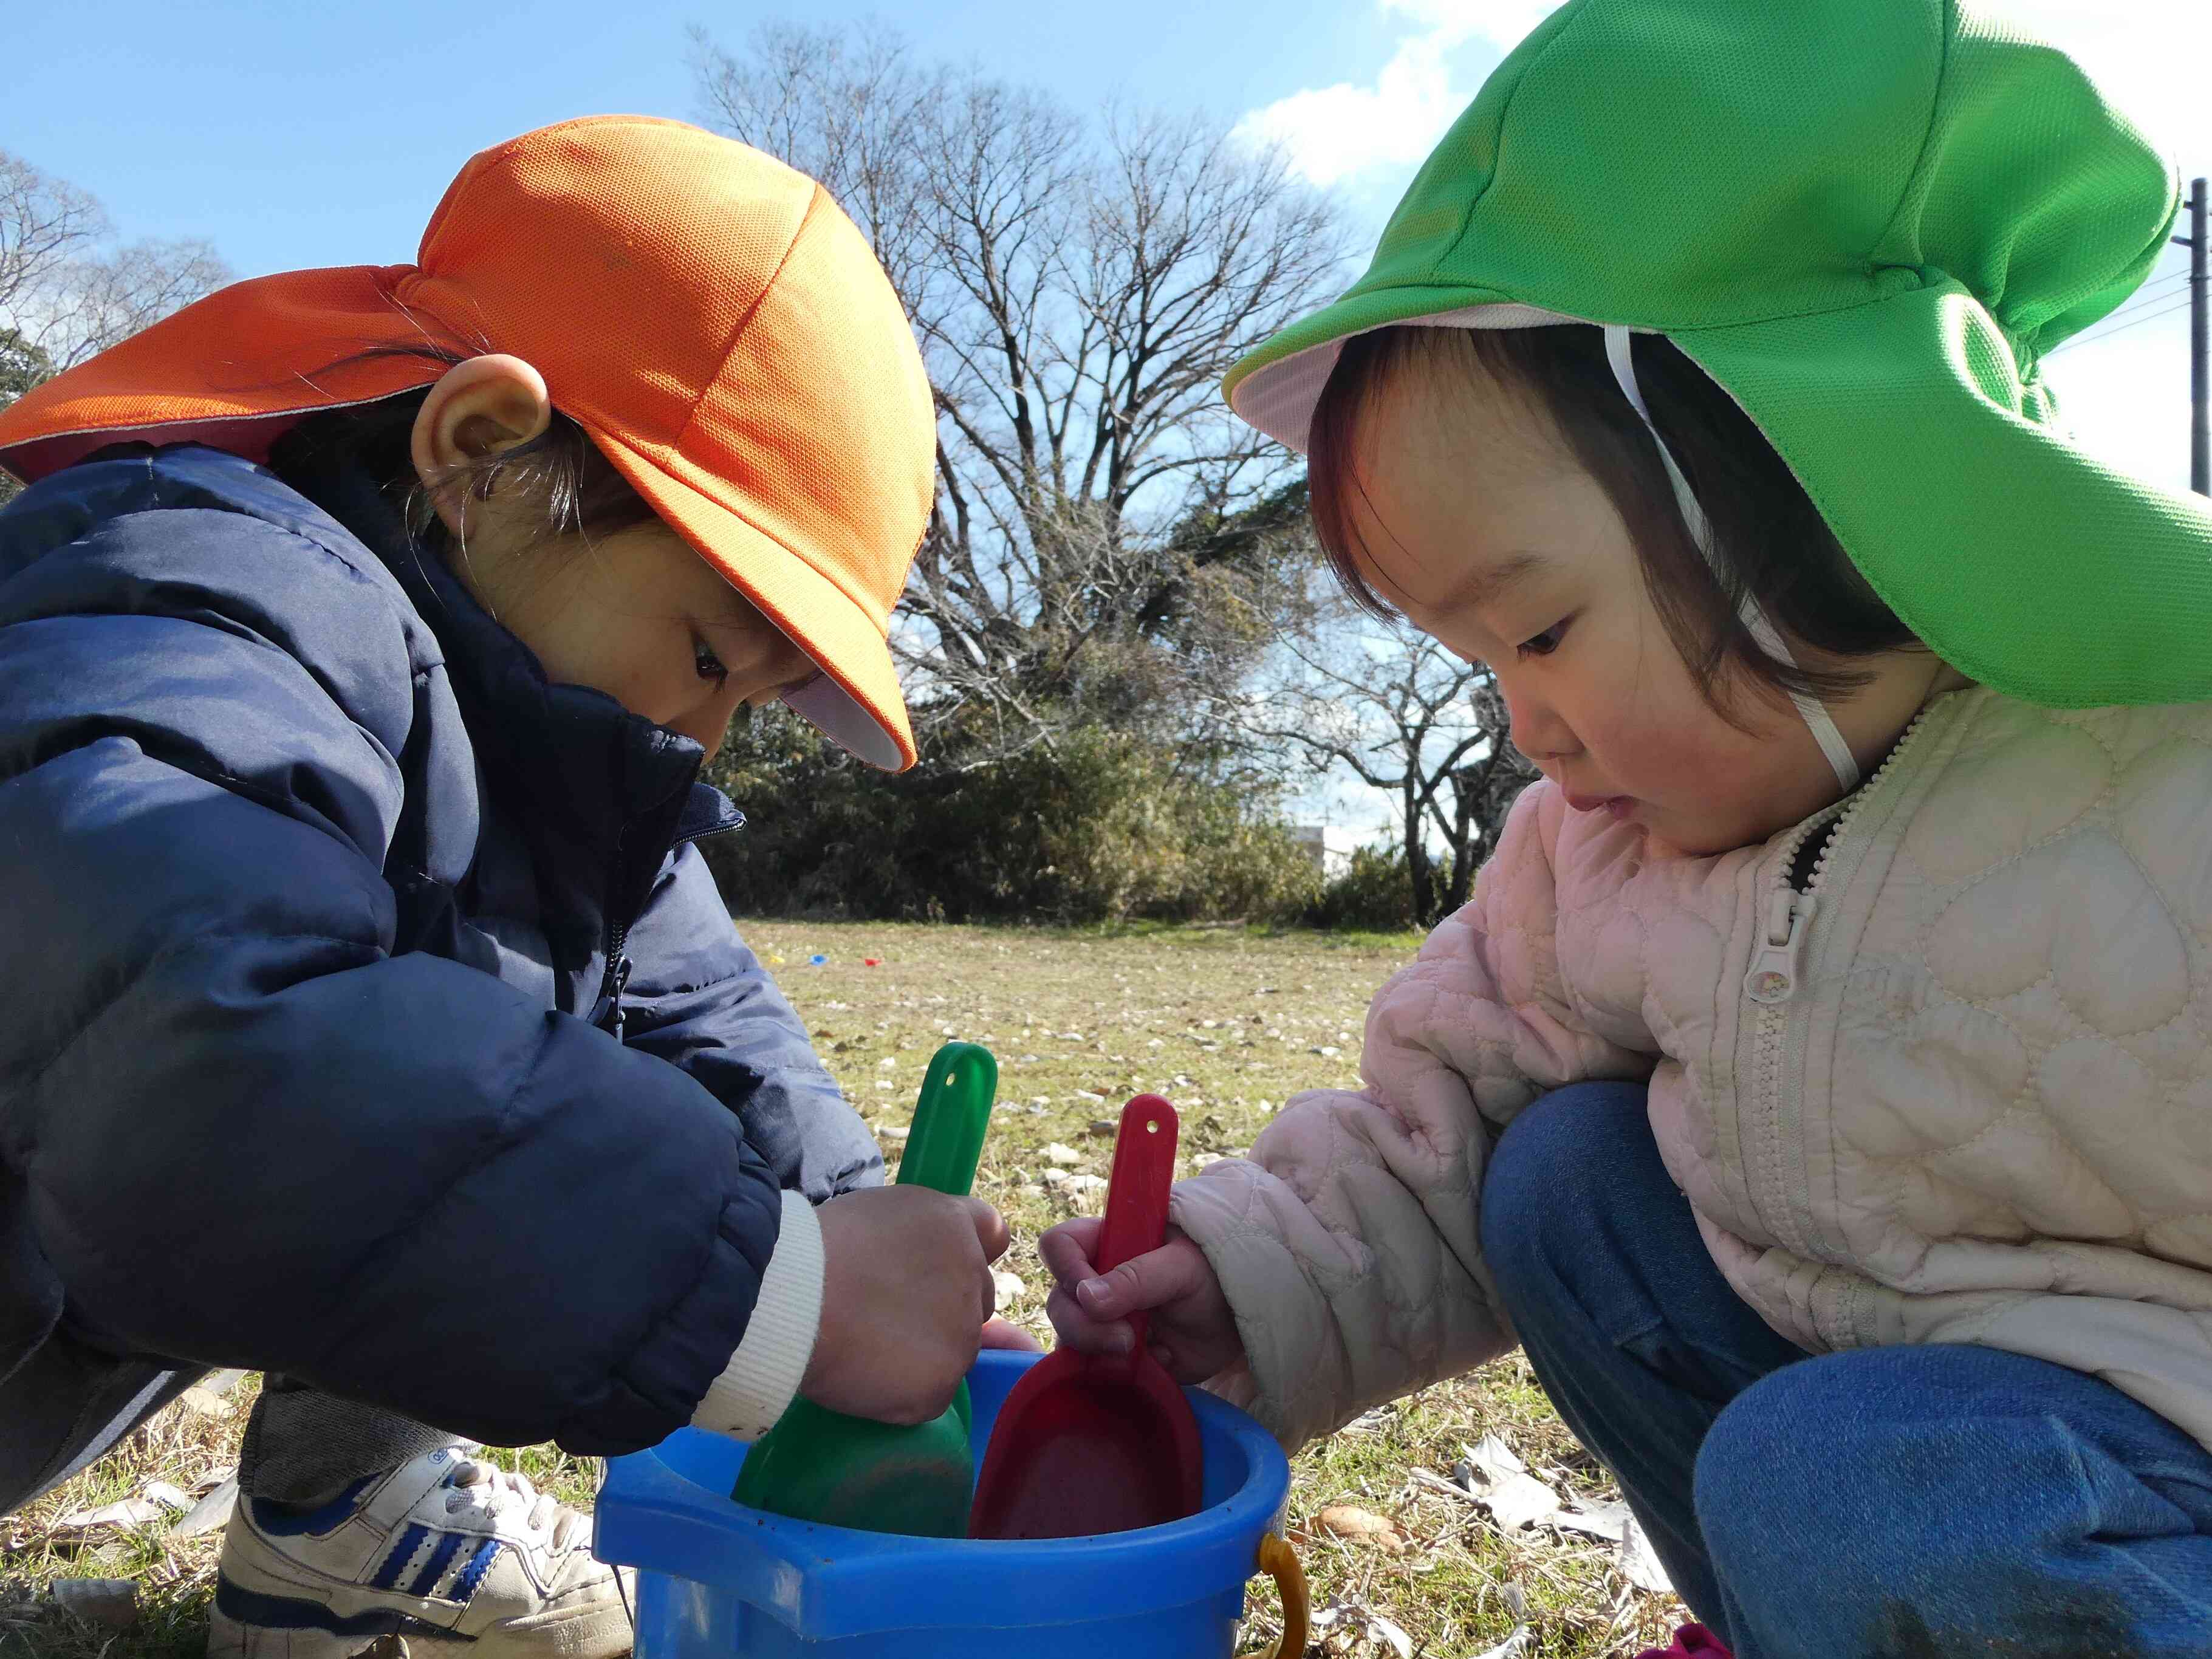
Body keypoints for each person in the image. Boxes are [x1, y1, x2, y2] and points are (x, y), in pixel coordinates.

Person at [1039, 2, 2212, 1654]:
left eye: (1539, 631)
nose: (1522, 722)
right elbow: (1433, 1127)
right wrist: (1248, 1278)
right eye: (1473, 660)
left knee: (1842, 1477)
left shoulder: (2155, 772)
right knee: (1564, 1173)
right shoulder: (1591, 855)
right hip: (1871, 1448)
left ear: (1818, 488)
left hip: (2155, 1483)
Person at [0, 117, 1026, 1659]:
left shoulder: (535, 746)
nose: (705, 729)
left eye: (755, 691)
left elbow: (691, 1005)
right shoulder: (212, 600)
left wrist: (848, 1216)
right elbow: (201, 1063)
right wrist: (779, 1286)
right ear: (479, 454)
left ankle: (337, 1518)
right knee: (419, 1053)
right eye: (705, 651)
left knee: (500, 1021)